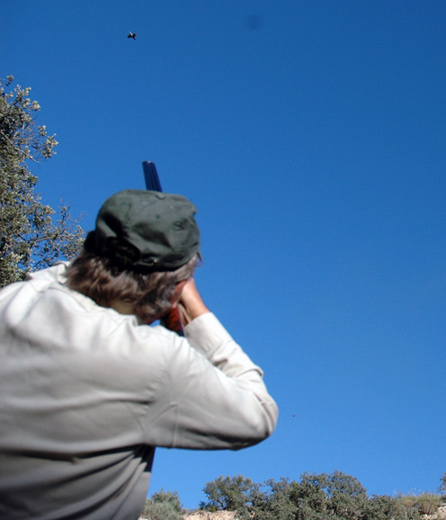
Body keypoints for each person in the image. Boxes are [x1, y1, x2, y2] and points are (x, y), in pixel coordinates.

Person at [0, 189, 278, 519]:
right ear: (175, 286)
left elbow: (54, 278)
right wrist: (193, 309)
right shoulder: (152, 359)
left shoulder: (13, 300)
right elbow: (259, 414)